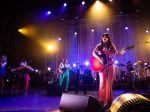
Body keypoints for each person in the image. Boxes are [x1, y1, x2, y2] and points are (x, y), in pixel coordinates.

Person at [92, 33, 125, 109]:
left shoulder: (111, 46)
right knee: (102, 82)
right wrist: (99, 58)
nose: (104, 38)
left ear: (108, 38)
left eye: (106, 37)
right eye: (103, 37)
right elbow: (93, 53)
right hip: (102, 66)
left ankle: (108, 101)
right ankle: (102, 101)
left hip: (110, 65)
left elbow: (116, 54)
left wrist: (121, 53)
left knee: (109, 82)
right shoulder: (99, 46)